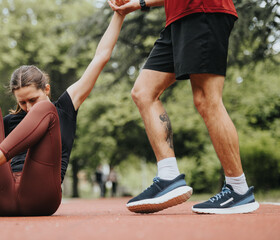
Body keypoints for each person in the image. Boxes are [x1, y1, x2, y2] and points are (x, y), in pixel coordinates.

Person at [0, 10, 125, 216]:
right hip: (1, 196)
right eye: (22, 102)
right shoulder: (10, 122)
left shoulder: (62, 109)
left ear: (46, 89)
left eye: (33, 99)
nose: (28, 107)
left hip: (41, 196)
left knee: (46, 110)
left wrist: (120, 14)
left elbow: (100, 58)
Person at [109, 0, 259, 214]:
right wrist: (139, 3)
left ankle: (238, 189)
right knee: (143, 92)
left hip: (203, 10)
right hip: (178, 17)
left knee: (207, 99)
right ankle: (169, 176)